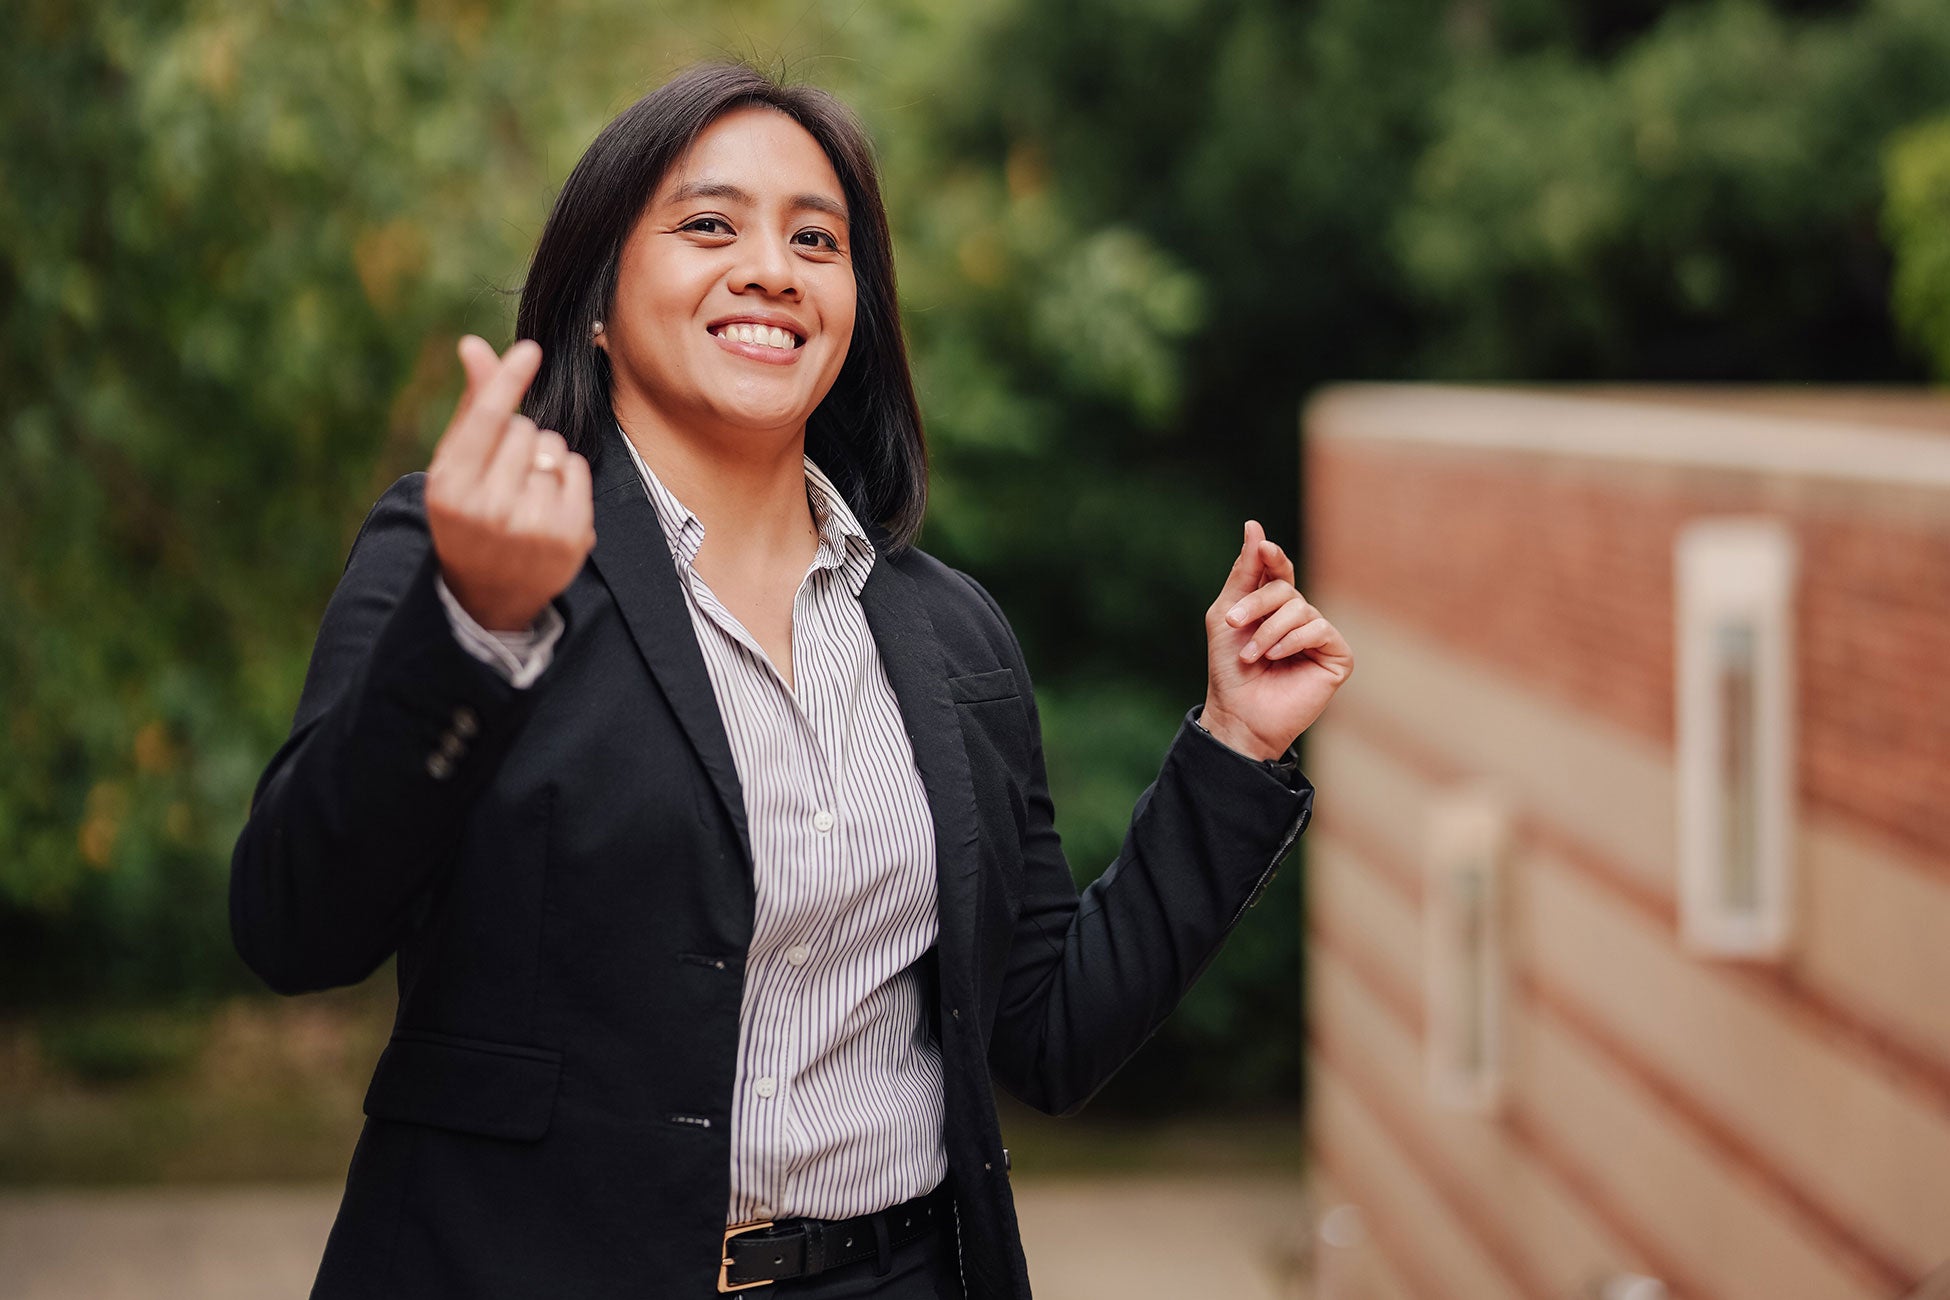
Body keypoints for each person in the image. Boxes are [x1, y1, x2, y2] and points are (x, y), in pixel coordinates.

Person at [228, 61, 1351, 1299]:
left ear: (853, 306)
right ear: (596, 302)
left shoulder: (952, 632)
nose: (771, 267)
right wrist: (479, 628)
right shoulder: (467, 554)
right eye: (710, 224)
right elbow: (294, 924)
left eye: (817, 239)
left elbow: (1048, 1033)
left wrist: (1233, 745)